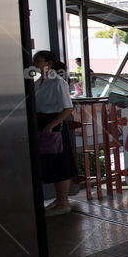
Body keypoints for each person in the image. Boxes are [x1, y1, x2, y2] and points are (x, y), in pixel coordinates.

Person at [32, 51, 78, 217]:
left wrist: (52, 125)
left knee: (60, 163)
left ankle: (63, 202)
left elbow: (68, 108)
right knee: (50, 162)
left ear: (49, 64)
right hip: (43, 123)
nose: (35, 63)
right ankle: (59, 200)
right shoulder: (39, 82)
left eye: (38, 61)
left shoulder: (58, 82)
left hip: (53, 124)